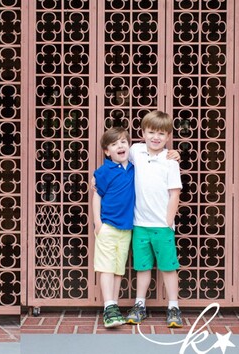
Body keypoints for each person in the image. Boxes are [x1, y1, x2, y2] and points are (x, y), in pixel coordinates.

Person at [124, 110, 184, 328]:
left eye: (161, 133)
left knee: (168, 267)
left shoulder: (170, 161)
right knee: (142, 267)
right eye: (151, 132)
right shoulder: (135, 150)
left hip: (162, 226)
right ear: (143, 133)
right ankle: (140, 305)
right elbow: (118, 155)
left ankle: (174, 306)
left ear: (168, 136)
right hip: (140, 225)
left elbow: (174, 193)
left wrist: (168, 221)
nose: (155, 137)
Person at [93, 127, 134, 328]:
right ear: (107, 151)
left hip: (126, 228)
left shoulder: (134, 168)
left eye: (123, 142)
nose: (120, 146)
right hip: (108, 226)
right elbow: (96, 195)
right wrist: (98, 223)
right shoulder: (104, 172)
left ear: (129, 146)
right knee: (106, 267)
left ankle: (114, 306)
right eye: (114, 143)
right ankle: (108, 306)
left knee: (118, 269)